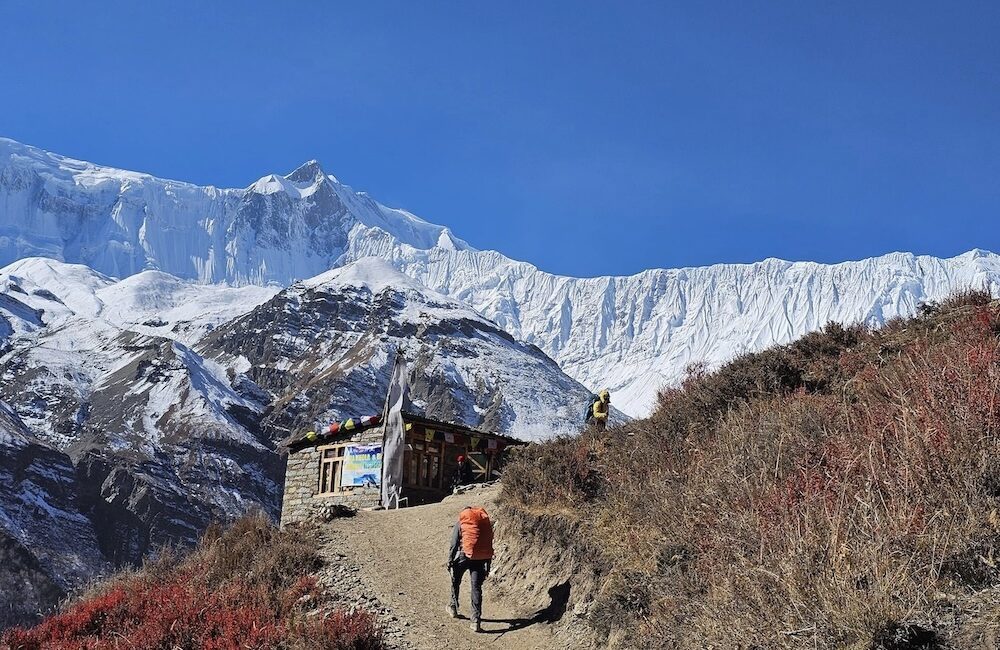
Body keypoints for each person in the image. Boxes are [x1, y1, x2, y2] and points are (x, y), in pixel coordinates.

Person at [445, 505, 494, 633]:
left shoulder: (461, 523)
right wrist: (488, 564)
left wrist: (450, 560)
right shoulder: (483, 524)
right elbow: (488, 543)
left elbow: (454, 544)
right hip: (480, 559)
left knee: (456, 580)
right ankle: (475, 621)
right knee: (476, 588)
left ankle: (453, 607)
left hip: (464, 555)